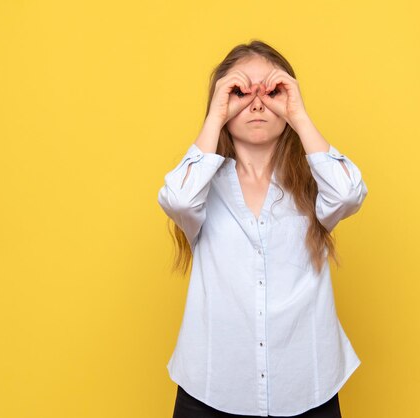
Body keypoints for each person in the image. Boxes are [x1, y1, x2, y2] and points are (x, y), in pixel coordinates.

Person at [157, 40, 368, 418]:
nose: (256, 103)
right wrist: (216, 114)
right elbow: (178, 200)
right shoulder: (202, 185)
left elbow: (349, 193)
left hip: (306, 388)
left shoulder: (312, 182)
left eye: (271, 91)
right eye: (240, 91)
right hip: (213, 390)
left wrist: (298, 114)